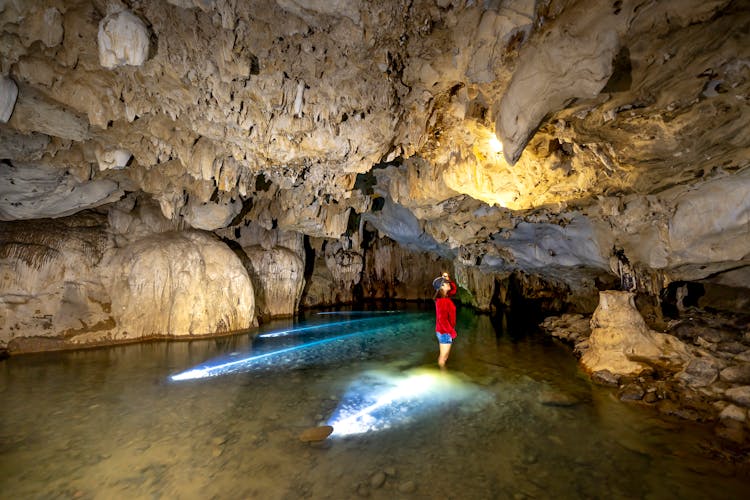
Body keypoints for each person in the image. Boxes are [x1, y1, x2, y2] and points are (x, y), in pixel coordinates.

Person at [432, 272, 457, 369]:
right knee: (443, 357)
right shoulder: (442, 301)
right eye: (446, 283)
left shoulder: (445, 297)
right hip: (445, 332)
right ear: (442, 286)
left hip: (445, 331)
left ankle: (442, 370)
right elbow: (442, 320)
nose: (449, 284)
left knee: (445, 356)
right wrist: (452, 332)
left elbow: (454, 289)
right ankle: (442, 374)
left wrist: (447, 278)